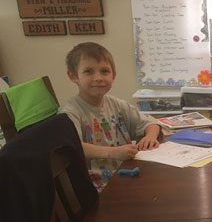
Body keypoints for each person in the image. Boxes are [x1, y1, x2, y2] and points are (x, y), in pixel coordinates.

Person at [59, 42, 161, 191]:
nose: (98, 78)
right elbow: (73, 147)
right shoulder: (70, 112)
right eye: (88, 71)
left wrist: (150, 136)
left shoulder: (116, 105)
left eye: (105, 71)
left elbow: (150, 122)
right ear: (73, 76)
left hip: (126, 175)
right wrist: (113, 152)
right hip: (96, 187)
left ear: (113, 75)